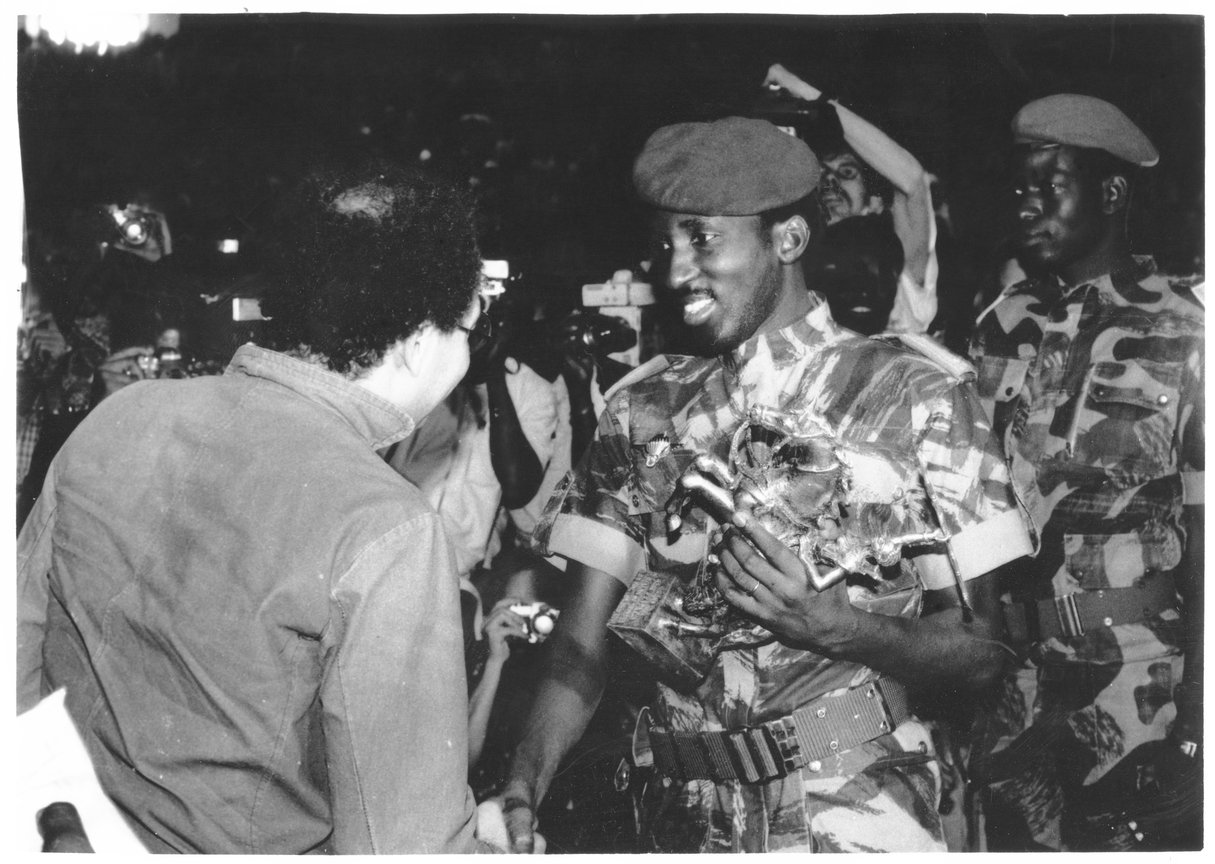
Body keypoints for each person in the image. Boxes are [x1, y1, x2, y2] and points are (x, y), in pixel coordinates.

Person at [500, 116, 1034, 853]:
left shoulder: (915, 395)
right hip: (677, 818)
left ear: (786, 239)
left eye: (702, 238)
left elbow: (982, 653)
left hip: (851, 807)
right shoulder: (642, 408)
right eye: (663, 244)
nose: (674, 269)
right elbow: (579, 646)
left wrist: (842, 628)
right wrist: (524, 780)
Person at [16, 158, 493, 853]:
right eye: (466, 330)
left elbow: (17, 660)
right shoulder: (384, 527)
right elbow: (403, 841)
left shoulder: (120, 417)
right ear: (420, 340)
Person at [967, 94, 1204, 852]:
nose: (1028, 204)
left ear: (1109, 192)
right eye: (1019, 188)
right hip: (1012, 684)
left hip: (1139, 683)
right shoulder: (1000, 325)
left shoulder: (1183, 331)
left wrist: (1198, 726)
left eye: (1051, 183)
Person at [763, 63, 938, 336]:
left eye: (846, 172)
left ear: (875, 203)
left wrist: (800, 89)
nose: (830, 183)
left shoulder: (900, 262)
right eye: (820, 175)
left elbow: (912, 182)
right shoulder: (797, 260)